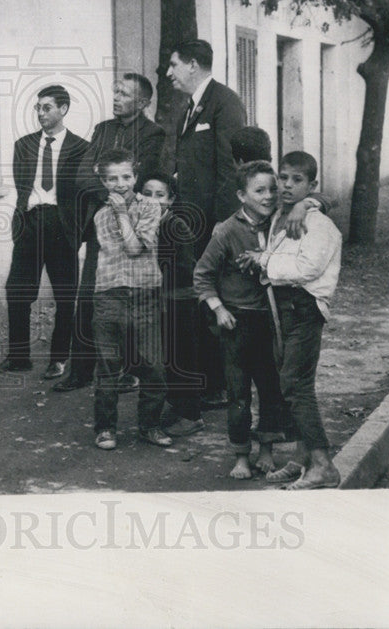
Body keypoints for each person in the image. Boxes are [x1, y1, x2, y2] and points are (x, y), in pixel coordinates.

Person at [54, 73, 166, 393]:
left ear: (142, 102)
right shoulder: (103, 129)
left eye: (124, 94)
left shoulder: (153, 133)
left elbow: (142, 177)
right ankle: (80, 372)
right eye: (115, 91)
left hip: (134, 231)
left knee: (129, 299)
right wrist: (113, 192)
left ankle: (129, 371)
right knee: (89, 296)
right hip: (100, 229)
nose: (115, 97)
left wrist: (106, 180)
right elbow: (82, 176)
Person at [238, 151, 342, 489]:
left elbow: (307, 268)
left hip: (304, 308)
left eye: (296, 180)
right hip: (283, 307)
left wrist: (266, 265)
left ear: (311, 186)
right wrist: (263, 256)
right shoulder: (284, 215)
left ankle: (323, 464)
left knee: (296, 386)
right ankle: (302, 458)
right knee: (293, 385)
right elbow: (285, 254)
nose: (286, 185)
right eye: (283, 178)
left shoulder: (319, 223)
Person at [193, 161, 292, 477]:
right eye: (259, 190)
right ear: (241, 195)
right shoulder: (226, 230)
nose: (268, 196)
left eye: (272, 189)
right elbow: (202, 275)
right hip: (237, 323)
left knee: (271, 389)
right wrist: (219, 309)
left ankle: (266, 450)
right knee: (238, 394)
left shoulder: (281, 224)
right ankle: (240, 455)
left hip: (272, 321)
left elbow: (320, 202)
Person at [166, 40, 247, 411]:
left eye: (174, 64)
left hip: (212, 226)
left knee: (215, 300)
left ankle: (220, 385)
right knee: (198, 301)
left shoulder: (224, 102)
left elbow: (230, 169)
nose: (169, 73)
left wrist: (223, 223)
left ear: (193, 64)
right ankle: (203, 378)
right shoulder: (188, 106)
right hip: (190, 223)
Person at [0, 85, 88, 378]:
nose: (41, 114)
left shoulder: (81, 147)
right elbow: (23, 188)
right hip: (31, 223)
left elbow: (83, 193)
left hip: (62, 226)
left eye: (47, 108)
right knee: (17, 291)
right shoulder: (23, 145)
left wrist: (76, 229)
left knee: (65, 295)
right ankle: (19, 357)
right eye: (38, 108)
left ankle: (58, 359)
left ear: (63, 109)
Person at [90, 148, 170, 450]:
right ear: (104, 182)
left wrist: (123, 212)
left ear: (135, 176)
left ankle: (149, 426)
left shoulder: (150, 206)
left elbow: (136, 248)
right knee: (108, 366)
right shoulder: (100, 216)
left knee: (153, 364)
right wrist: (119, 214)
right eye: (112, 179)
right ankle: (106, 429)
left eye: (126, 176)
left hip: (144, 293)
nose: (120, 184)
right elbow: (121, 249)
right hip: (109, 295)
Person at [139, 173, 204, 437]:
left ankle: (191, 415)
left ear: (172, 199)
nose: (153, 200)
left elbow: (186, 269)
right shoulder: (142, 224)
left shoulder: (176, 226)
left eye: (160, 195)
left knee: (182, 359)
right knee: (164, 357)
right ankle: (176, 406)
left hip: (178, 302)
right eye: (147, 193)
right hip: (157, 301)